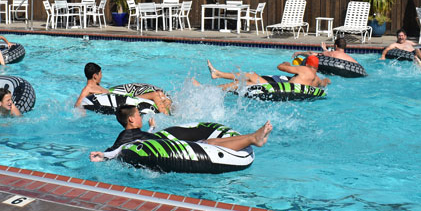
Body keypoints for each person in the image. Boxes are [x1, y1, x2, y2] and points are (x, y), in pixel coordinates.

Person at [89, 104, 273, 162]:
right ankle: (252, 138)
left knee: (212, 140)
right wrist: (102, 155)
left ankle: (252, 137)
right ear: (130, 120)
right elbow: (119, 149)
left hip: (169, 143)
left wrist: (152, 128)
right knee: (211, 144)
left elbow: (142, 136)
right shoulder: (125, 136)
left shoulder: (135, 132)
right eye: (138, 115)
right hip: (172, 149)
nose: (141, 117)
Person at [74, 62, 171, 115]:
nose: (101, 76)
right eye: (100, 73)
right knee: (154, 94)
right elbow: (78, 104)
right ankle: (166, 116)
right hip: (124, 102)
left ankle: (171, 110)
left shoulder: (96, 86)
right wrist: (82, 113)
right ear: (95, 76)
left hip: (124, 98)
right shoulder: (87, 88)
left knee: (159, 93)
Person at [194, 57, 331, 91]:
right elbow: (325, 83)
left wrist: (287, 64)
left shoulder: (303, 69)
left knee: (251, 75)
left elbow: (280, 67)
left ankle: (218, 74)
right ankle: (212, 88)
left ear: (307, 64)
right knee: (245, 83)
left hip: (281, 90)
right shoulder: (317, 79)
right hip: (290, 93)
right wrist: (327, 81)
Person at [293, 37, 357, 64]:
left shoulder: (332, 54)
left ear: (336, 46)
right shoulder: (350, 58)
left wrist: (300, 52)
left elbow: (312, 54)